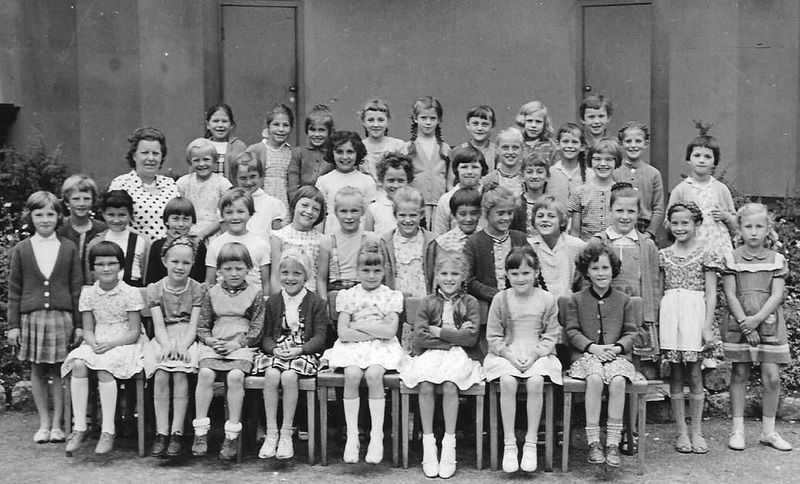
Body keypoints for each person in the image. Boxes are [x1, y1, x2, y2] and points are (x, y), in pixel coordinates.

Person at [321, 242, 407, 464]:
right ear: (357, 271)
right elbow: (343, 333)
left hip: (382, 348)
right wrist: (375, 328)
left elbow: (389, 332)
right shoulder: (348, 295)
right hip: (353, 348)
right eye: (366, 270)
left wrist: (358, 326)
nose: (371, 275)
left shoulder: (390, 296)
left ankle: (376, 436)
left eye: (376, 270)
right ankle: (352, 436)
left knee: (374, 374)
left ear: (384, 271)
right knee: (352, 374)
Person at [7, 191, 82, 445]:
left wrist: (79, 324)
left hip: (62, 318)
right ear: (30, 217)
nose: (45, 219)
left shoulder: (68, 248)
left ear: (59, 216)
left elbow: (76, 288)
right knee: (37, 370)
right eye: (39, 214)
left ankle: (58, 425)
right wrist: (13, 325)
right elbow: (15, 289)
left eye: (50, 214)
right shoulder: (22, 249)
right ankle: (44, 423)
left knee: (60, 370)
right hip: (33, 318)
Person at [400, 254, 484, 478]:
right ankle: (429, 445)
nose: (449, 278)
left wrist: (439, 332)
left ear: (463, 276)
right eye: (444, 273)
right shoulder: (428, 302)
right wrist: (453, 338)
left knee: (449, 385)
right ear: (436, 276)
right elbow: (420, 337)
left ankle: (449, 444)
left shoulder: (470, 302)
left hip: (460, 355)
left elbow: (470, 339)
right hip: (431, 354)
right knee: (426, 385)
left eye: (454, 273)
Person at [560, 242, 641, 468]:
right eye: (594, 268)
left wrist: (617, 348)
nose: (600, 273)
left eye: (605, 268)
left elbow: (631, 332)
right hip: (587, 356)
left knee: (618, 381)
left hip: (617, 356)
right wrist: (593, 348)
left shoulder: (624, 300)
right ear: (586, 272)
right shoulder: (576, 299)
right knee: (594, 379)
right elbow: (572, 331)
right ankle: (594, 442)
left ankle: (613, 443)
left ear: (613, 270)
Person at [61, 241, 144, 455]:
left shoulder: (130, 292)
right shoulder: (88, 293)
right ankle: (80, 427)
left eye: (111, 263)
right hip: (97, 339)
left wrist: (112, 344)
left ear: (120, 266)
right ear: (92, 268)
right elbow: (88, 329)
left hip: (124, 341)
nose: (106, 269)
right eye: (100, 264)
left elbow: (134, 332)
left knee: (104, 368)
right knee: (78, 364)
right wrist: (93, 342)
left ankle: (108, 430)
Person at [483, 247, 562, 473]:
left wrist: (536, 354)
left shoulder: (547, 299)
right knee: (507, 381)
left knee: (536, 382)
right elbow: (493, 337)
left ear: (536, 273)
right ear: (507, 275)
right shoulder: (501, 299)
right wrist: (509, 355)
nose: (520, 278)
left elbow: (551, 336)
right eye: (515, 273)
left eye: (526, 273)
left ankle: (530, 442)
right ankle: (509, 443)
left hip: (538, 353)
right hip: (507, 353)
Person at [722, 203, 792, 452]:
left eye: (759, 226)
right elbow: (730, 294)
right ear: (740, 229)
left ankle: (768, 431)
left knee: (771, 376)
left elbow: (777, 295)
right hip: (739, 323)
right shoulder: (732, 258)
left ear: (767, 229)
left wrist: (757, 321)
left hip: (769, 323)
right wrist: (746, 325)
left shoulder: (776, 260)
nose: (753, 232)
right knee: (739, 373)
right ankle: (737, 430)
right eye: (748, 226)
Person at [192, 242, 266, 461]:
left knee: (235, 377)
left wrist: (238, 344)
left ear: (248, 268)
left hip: (241, 346)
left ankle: (232, 435)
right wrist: (210, 340)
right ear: (219, 270)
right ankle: (200, 432)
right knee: (205, 374)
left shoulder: (255, 293)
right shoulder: (212, 292)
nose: (234, 273)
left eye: (239, 268)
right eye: (228, 268)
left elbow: (257, 329)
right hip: (215, 344)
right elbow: (202, 326)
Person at [254, 251, 328, 460]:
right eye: (285, 273)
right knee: (271, 374)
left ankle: (286, 433)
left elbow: (320, 337)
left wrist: (300, 350)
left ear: (306, 276)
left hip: (303, 351)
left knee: (288, 376)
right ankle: (272, 433)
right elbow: (266, 336)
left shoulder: (316, 302)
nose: (290, 278)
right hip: (278, 350)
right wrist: (273, 350)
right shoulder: (273, 301)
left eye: (297, 273)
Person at [659, 203, 720, 455]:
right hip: (671, 316)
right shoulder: (663, 255)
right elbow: (660, 291)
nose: (680, 228)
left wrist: (707, 327)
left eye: (685, 223)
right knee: (675, 373)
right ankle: (682, 431)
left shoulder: (705, 253)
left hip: (695, 315)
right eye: (675, 223)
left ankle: (697, 431)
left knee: (695, 373)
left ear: (697, 224)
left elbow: (711, 294)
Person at [144, 236, 206, 458]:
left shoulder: (197, 289)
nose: (180, 267)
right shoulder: (155, 289)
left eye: (186, 263)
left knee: (180, 374)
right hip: (163, 338)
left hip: (188, 338)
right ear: (164, 261)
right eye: (175, 262)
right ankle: (161, 432)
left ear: (192, 264)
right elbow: (158, 325)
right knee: (161, 374)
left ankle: (177, 432)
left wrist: (183, 345)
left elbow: (194, 325)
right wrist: (167, 345)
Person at [593, 183, 662, 360]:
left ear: (639, 213)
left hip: (636, 312)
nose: (625, 217)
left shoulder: (647, 246)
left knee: (635, 363)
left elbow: (654, 286)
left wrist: (652, 317)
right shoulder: (598, 243)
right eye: (619, 211)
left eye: (631, 211)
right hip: (605, 310)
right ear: (610, 211)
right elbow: (585, 283)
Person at [667, 122, 737, 262]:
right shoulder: (681, 190)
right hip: (691, 248)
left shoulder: (721, 189)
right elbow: (668, 223)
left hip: (719, 248)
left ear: (715, 162)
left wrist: (726, 216)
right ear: (689, 159)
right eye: (697, 155)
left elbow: (736, 225)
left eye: (707, 157)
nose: (701, 160)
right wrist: (683, 223)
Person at [378, 186, 435, 351]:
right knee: (397, 344)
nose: (407, 220)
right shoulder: (386, 241)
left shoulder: (430, 240)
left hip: (422, 296)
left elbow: (434, 274)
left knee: (420, 342)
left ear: (421, 215)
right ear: (395, 215)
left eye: (413, 215)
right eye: (402, 215)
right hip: (396, 298)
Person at [108, 127, 179, 242]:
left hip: (169, 249)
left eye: (155, 153)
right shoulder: (121, 184)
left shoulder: (170, 184)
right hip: (135, 248)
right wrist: (146, 244)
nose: (150, 158)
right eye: (145, 153)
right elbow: (115, 222)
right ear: (134, 156)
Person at [463, 184, 531, 304]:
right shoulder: (474, 242)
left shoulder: (520, 239)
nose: (506, 218)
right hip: (485, 306)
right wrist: (494, 295)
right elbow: (467, 279)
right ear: (486, 213)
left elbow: (531, 270)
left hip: (520, 302)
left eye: (510, 213)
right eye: (500, 213)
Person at [205, 188, 271, 294]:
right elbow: (210, 282)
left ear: (250, 213)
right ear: (222, 215)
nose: (235, 217)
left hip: (254, 301)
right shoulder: (215, 245)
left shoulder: (261, 245)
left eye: (240, 211)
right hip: (223, 301)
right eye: (229, 212)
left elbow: (265, 283)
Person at [316, 186, 376, 299]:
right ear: (336, 212)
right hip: (336, 293)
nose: (349, 216)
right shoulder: (328, 241)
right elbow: (321, 279)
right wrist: (324, 303)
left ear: (362, 211)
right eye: (343, 211)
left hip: (364, 293)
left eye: (354, 211)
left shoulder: (371, 239)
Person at [315, 131, 377, 233]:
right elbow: (320, 215)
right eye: (339, 152)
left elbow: (371, 216)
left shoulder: (367, 181)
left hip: (359, 236)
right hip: (332, 234)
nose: (345, 157)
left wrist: (367, 238)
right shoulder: (323, 181)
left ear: (357, 153)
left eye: (350, 152)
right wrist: (320, 238)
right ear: (332, 153)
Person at [402, 96, 451, 223]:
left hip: (440, 206)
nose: (428, 122)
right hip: (414, 207)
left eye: (432, 118)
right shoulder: (406, 148)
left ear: (439, 120)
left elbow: (449, 181)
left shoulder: (445, 149)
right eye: (423, 118)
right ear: (415, 118)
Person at [86, 190, 149, 287]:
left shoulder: (142, 241)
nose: (116, 220)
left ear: (130, 214)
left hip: (134, 289)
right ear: (103, 214)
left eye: (122, 215)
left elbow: (147, 274)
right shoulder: (95, 243)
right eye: (111, 215)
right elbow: (90, 277)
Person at [527, 196, 586, 298]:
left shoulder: (575, 245)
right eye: (540, 216)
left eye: (551, 216)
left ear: (562, 221)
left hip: (567, 301)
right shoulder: (529, 246)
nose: (545, 220)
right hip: (540, 302)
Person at [613, 121, 665, 239]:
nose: (633, 145)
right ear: (620, 144)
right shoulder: (615, 172)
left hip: (644, 227)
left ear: (645, 144)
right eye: (628, 141)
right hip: (619, 225)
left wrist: (649, 233)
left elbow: (658, 208)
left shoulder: (654, 174)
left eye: (638, 141)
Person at [270, 185, 326, 293]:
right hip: (284, 296)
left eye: (315, 209)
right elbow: (275, 277)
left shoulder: (322, 241)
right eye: (304, 205)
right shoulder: (279, 237)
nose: (309, 211)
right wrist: (278, 300)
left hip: (310, 297)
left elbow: (321, 279)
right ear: (294, 205)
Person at [176, 137, 232, 240]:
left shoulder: (223, 184)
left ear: (214, 160)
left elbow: (224, 215)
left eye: (206, 159)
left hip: (214, 235)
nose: (201, 164)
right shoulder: (183, 183)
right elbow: (177, 211)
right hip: (187, 234)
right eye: (196, 160)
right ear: (190, 162)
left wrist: (203, 235)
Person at [144, 197, 208, 284]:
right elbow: (151, 281)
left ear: (192, 221)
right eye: (175, 219)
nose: (181, 224)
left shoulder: (198, 246)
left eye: (186, 219)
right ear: (167, 221)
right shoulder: (157, 246)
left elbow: (201, 278)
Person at [568, 137, 621, 241]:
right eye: (597, 159)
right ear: (590, 161)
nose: (603, 164)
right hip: (587, 247)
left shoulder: (621, 192)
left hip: (616, 246)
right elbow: (575, 233)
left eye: (609, 159)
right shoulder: (580, 192)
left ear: (616, 162)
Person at [430, 145, 488, 236]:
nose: (469, 172)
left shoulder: (489, 196)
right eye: (464, 167)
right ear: (456, 169)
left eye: (475, 167)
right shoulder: (446, 200)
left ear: (482, 169)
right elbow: (439, 234)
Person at [57, 174, 107, 279]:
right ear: (67, 202)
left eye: (86, 199)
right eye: (76, 199)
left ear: (93, 201)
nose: (81, 203)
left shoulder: (102, 230)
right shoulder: (59, 229)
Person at [232, 151, 288, 241]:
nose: (248, 182)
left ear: (260, 175)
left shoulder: (273, 204)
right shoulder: (230, 203)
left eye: (252, 176)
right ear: (235, 178)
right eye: (243, 178)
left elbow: (277, 237)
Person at [247, 103, 294, 209]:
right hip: (259, 205)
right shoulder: (255, 150)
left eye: (286, 125)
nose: (281, 129)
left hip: (283, 205)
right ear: (268, 126)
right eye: (276, 124)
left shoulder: (291, 153)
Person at [287, 104, 335, 201]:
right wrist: (297, 202)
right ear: (307, 130)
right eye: (312, 130)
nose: (316, 134)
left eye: (321, 130)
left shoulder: (333, 153)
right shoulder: (297, 153)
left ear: (329, 132)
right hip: (302, 201)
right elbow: (293, 184)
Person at [427, 187, 482, 269]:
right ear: (454, 215)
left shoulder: (485, 238)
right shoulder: (443, 243)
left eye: (473, 213)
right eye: (463, 214)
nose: (468, 219)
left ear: (480, 213)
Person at [364, 152, 414, 235]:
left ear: (408, 181)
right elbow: (367, 237)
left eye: (401, 181)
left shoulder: (414, 206)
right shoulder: (374, 208)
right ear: (382, 180)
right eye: (391, 180)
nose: (396, 185)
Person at [359, 98, 405, 180]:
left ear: (388, 121)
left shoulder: (398, 146)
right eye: (370, 120)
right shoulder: (359, 147)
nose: (376, 125)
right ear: (363, 122)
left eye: (380, 120)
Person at [547, 122, 587, 210]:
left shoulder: (589, 174)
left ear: (582, 146)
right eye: (565, 141)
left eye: (574, 142)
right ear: (557, 144)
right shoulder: (550, 173)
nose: (569, 146)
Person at [203, 102, 247, 180]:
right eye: (215, 121)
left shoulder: (239, 146)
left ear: (231, 125)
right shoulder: (202, 146)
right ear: (208, 125)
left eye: (224, 121)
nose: (220, 125)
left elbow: (246, 172)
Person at [449, 104, 497, 172]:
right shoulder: (457, 151)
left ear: (492, 127)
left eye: (485, 124)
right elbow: (451, 177)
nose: (479, 128)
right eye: (475, 123)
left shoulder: (497, 152)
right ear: (468, 125)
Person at [510, 154, 549, 237]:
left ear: (547, 176)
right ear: (522, 177)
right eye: (529, 172)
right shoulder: (515, 205)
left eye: (539, 172)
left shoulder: (552, 204)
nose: (534, 176)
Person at [482, 128, 524, 199]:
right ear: (496, 149)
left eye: (515, 148)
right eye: (505, 148)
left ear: (522, 149)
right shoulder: (489, 180)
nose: (510, 152)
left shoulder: (527, 178)